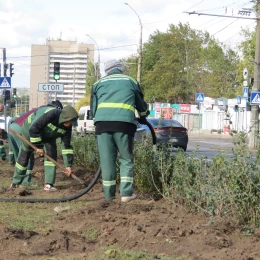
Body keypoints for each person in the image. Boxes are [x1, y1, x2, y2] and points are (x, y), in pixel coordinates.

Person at [90, 59, 149, 202]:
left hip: (102, 125)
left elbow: (93, 108)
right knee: (126, 158)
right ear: (120, 69)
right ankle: (126, 194)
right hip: (124, 124)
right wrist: (143, 115)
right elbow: (141, 104)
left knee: (107, 161)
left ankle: (109, 196)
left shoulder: (97, 84)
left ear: (107, 70)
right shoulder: (130, 81)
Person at [10, 103, 79, 191]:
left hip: (48, 136)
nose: (70, 125)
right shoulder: (51, 114)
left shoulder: (67, 128)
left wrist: (68, 165)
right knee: (24, 156)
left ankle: (48, 184)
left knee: (51, 154)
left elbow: (66, 146)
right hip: (29, 130)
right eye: (69, 122)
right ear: (64, 118)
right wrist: (38, 147)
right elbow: (34, 129)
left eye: (72, 123)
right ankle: (15, 183)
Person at [8, 101, 63, 185]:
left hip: (13, 128)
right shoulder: (49, 114)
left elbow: (11, 120)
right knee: (27, 155)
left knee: (20, 156)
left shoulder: (40, 110)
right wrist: (39, 147)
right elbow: (36, 129)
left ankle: (16, 182)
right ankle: (26, 182)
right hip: (23, 129)